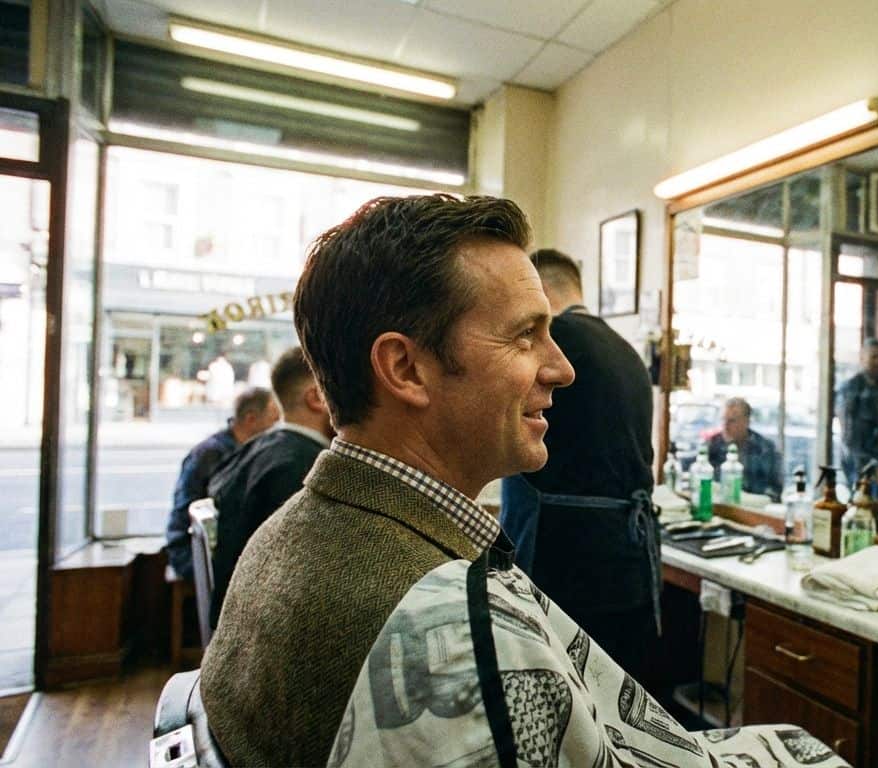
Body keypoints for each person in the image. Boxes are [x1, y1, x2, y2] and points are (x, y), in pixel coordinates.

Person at [202, 194, 841, 768]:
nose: (561, 368)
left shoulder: (282, 538)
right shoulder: (453, 639)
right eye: (525, 335)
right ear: (406, 368)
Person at [499, 248, 659, 683]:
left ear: (541, 291)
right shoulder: (625, 349)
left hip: (567, 559)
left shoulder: (557, 341)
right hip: (627, 561)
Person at [205, 346, 334, 629]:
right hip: (260, 631)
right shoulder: (304, 470)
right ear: (317, 397)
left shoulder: (254, 449)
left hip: (230, 617)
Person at [163, 386, 277, 580]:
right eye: (273, 419)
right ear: (251, 419)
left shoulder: (244, 451)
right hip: (190, 549)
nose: (277, 427)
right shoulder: (211, 454)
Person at [836, 338, 878, 490]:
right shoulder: (851, 389)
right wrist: (871, 467)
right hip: (860, 470)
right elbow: (850, 439)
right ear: (862, 359)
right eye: (874, 357)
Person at [706, 397, 783, 499]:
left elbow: (776, 489)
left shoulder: (765, 448)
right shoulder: (713, 444)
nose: (725, 426)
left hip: (754, 507)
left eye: (732, 421)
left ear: (746, 422)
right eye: (723, 420)